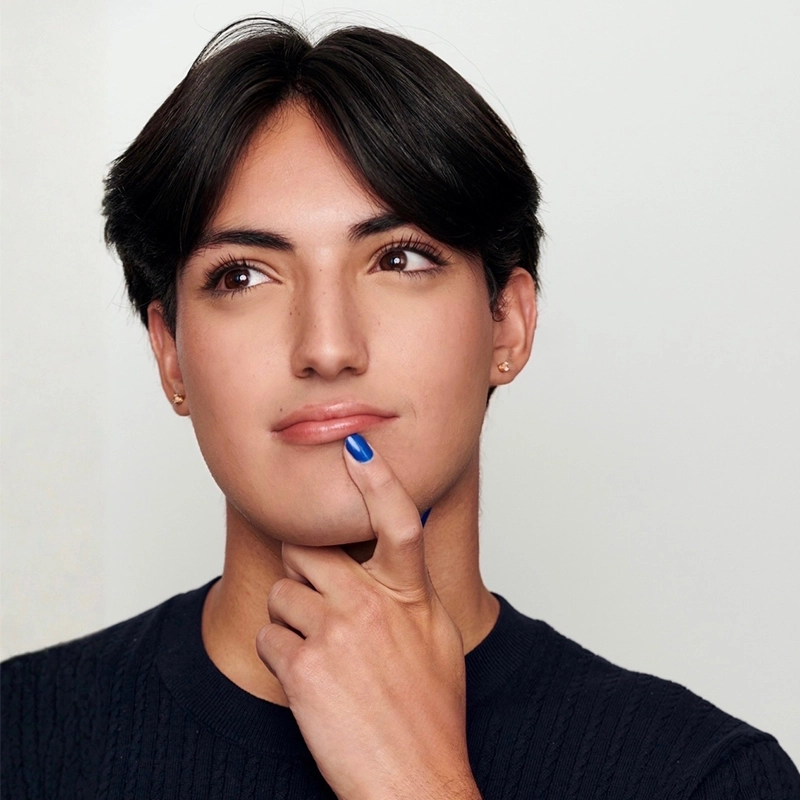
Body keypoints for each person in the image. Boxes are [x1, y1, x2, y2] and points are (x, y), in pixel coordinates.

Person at [1, 16, 797, 800]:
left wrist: (416, 783)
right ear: (169, 352)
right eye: (242, 275)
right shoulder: (22, 740)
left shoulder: (704, 778)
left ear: (506, 325)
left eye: (400, 258)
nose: (327, 345)